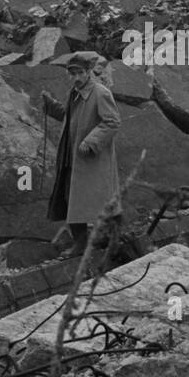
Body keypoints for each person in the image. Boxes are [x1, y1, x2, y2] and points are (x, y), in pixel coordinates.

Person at [42, 50, 121, 258]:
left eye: (79, 73)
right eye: (72, 74)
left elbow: (112, 122)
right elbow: (71, 118)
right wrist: (52, 107)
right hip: (72, 157)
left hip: (91, 160)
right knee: (71, 200)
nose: (76, 78)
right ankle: (81, 244)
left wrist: (91, 141)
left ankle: (112, 241)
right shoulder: (75, 93)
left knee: (100, 201)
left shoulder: (101, 93)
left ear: (88, 72)